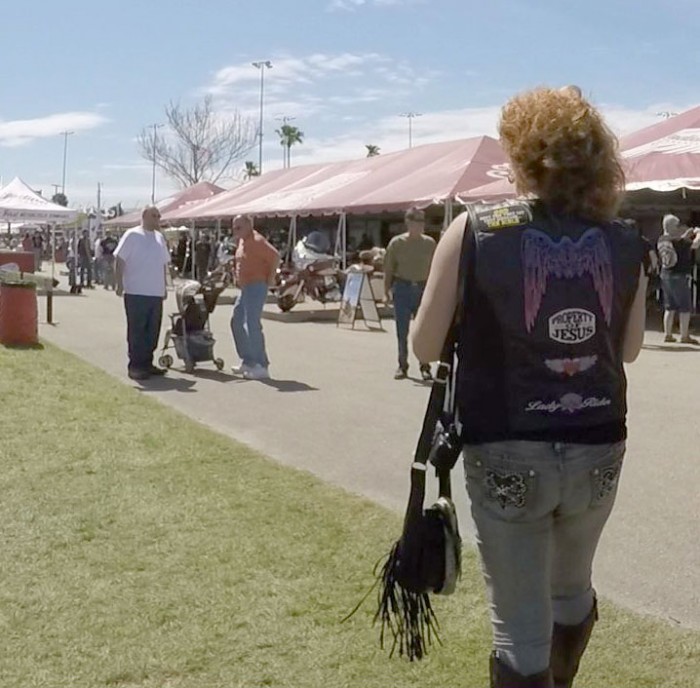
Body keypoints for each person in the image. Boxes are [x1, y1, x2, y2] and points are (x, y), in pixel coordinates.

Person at [413, 86, 647, 688]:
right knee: (570, 587)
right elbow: (628, 349)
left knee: (519, 628)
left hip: (507, 443)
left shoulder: (475, 230)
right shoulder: (624, 241)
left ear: (520, 157)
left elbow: (423, 345)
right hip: (598, 439)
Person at [114, 207, 171, 381]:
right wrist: (119, 283)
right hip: (136, 291)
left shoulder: (159, 238)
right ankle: (136, 366)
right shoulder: (132, 235)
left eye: (159, 216)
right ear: (144, 217)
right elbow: (120, 259)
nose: (157, 219)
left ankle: (147, 363)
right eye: (154, 216)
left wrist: (164, 286)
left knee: (152, 332)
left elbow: (163, 264)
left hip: (155, 292)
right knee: (137, 331)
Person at [383, 208, 436, 381]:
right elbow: (389, 269)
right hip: (403, 288)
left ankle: (425, 366)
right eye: (416, 222)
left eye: (422, 222)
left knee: (423, 330)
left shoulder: (429, 243)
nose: (420, 226)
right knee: (402, 330)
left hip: (423, 289)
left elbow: (436, 268)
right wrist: (386, 292)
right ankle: (402, 365)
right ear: (408, 223)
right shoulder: (397, 243)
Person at [230, 215, 280, 380]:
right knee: (236, 321)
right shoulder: (242, 241)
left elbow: (275, 256)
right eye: (234, 227)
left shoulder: (257, 241)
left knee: (252, 323)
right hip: (245, 287)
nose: (235, 231)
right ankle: (248, 360)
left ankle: (261, 365)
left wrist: (271, 277)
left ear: (249, 226)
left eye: (239, 227)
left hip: (256, 285)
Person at [657, 214, 700, 344]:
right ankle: (684, 335)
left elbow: (679, 241)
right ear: (671, 226)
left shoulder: (662, 239)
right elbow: (695, 245)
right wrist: (698, 233)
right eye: (677, 225)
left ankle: (668, 334)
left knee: (669, 307)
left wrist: (685, 235)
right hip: (679, 275)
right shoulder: (678, 241)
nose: (678, 227)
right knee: (685, 306)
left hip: (665, 274)